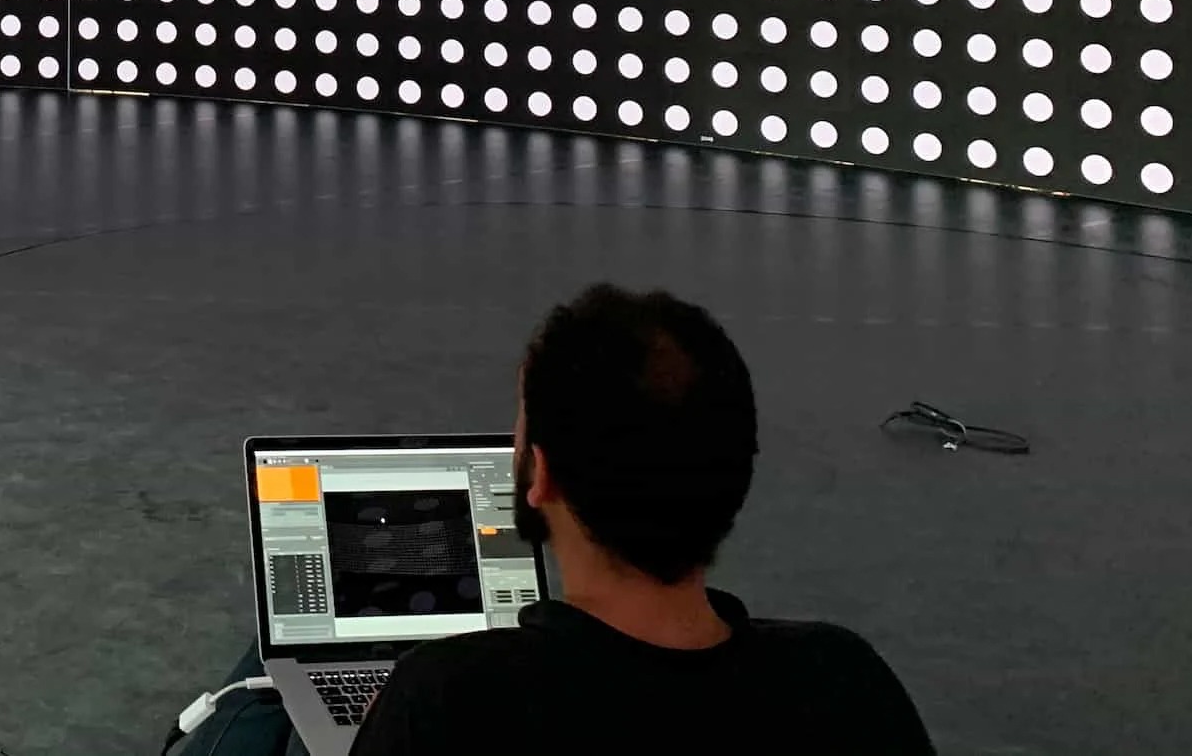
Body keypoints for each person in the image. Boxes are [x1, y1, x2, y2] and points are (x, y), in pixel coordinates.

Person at [167, 284, 934, 755]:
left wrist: (387, 723)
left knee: (263, 668)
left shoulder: (448, 699)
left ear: (542, 477)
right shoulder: (846, 680)